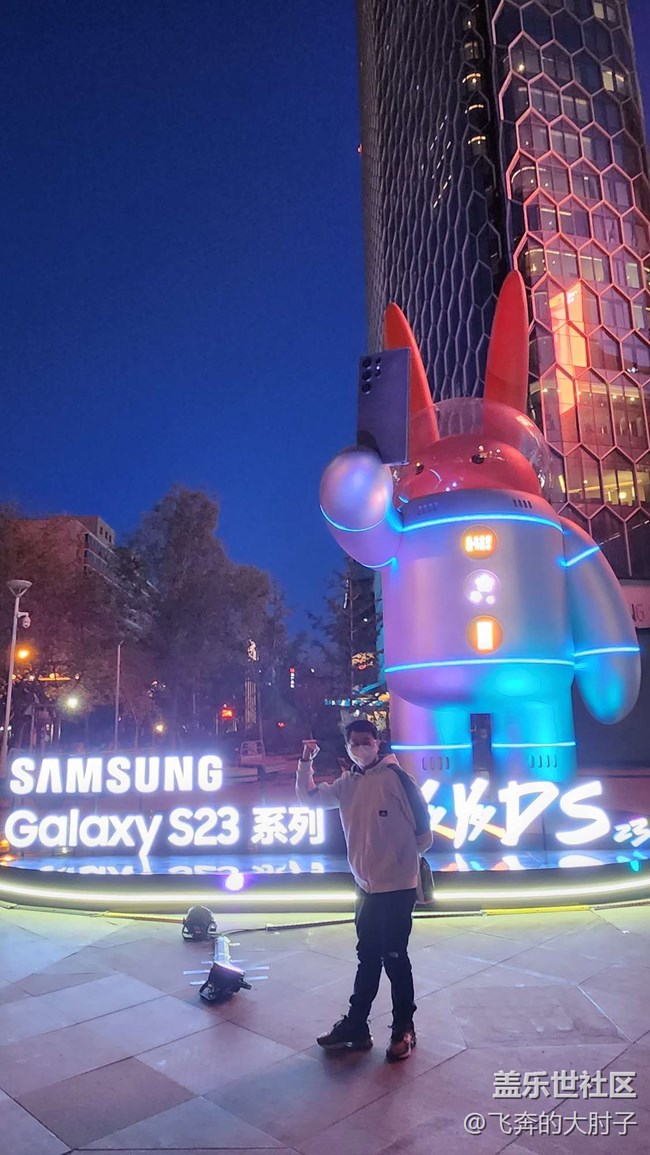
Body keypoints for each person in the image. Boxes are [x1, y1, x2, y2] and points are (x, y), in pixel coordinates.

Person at [296, 719, 433, 1061]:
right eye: (354, 742)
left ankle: (404, 1028)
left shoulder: (397, 779)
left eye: (365, 740)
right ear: (347, 747)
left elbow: (424, 833)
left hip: (397, 887)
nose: (360, 747)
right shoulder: (348, 783)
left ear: (377, 742)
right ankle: (357, 1026)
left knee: (395, 958)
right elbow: (309, 799)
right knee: (367, 957)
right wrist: (305, 762)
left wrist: (399, 859)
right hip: (365, 887)